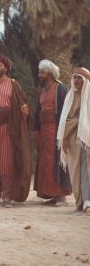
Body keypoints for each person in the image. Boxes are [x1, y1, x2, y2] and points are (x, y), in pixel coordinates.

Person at [0, 54, 32, 207]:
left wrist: (24, 110)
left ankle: (7, 197)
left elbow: (23, 103)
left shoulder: (13, 84)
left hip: (6, 129)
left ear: (6, 68)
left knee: (6, 163)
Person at [34, 59, 71, 206]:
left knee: (56, 161)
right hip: (44, 131)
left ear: (50, 73)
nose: (39, 75)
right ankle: (51, 194)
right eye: (39, 72)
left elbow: (66, 111)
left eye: (42, 72)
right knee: (46, 162)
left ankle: (61, 196)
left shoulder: (61, 88)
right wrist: (36, 128)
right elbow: (38, 111)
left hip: (57, 131)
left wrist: (63, 133)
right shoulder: (43, 91)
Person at [57, 67, 90, 215]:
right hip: (72, 139)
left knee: (86, 170)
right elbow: (65, 120)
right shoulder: (71, 96)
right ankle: (80, 202)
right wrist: (64, 137)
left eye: (80, 78)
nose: (77, 81)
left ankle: (87, 202)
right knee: (75, 171)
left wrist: (82, 124)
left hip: (87, 139)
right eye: (75, 77)